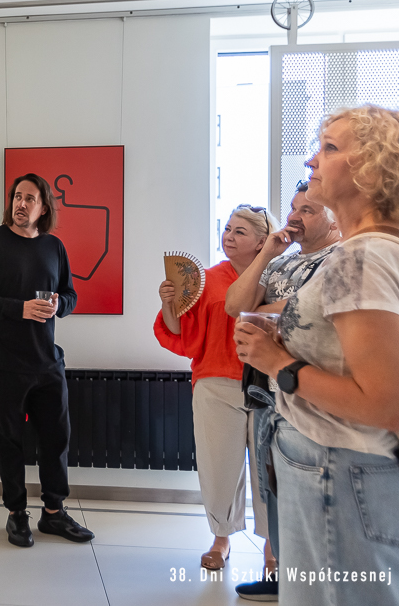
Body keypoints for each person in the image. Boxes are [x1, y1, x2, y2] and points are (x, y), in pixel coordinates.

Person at [235, 105, 399, 606]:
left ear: (373, 169)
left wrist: (278, 363)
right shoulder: (396, 246)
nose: (312, 160)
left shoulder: (360, 256)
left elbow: (389, 404)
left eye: (330, 148)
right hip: (364, 467)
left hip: (338, 468)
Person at [0, 173, 93, 548]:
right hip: (3, 360)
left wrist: (59, 304)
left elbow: (70, 295)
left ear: (43, 207)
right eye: (17, 197)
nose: (21, 203)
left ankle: (53, 512)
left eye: (29, 198)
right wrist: (19, 309)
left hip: (47, 360)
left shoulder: (54, 247)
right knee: (9, 441)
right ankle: (17, 513)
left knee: (56, 439)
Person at [224, 182, 339, 601]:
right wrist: (267, 254)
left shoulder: (341, 257)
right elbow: (235, 305)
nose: (293, 217)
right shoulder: (281, 262)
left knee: (311, 500)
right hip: (267, 393)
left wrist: (262, 311)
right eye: (292, 208)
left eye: (308, 210)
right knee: (273, 491)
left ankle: (316, 587)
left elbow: (315, 309)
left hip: (309, 393)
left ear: (334, 217)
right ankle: (283, 579)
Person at [155, 206, 276, 572]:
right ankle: (221, 538)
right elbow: (180, 333)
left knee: (270, 467)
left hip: (267, 383)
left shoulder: (276, 279)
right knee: (218, 466)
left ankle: (273, 544)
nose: (229, 236)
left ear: (261, 241)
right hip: (215, 381)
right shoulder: (205, 280)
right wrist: (168, 302)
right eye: (228, 229)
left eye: (240, 231)